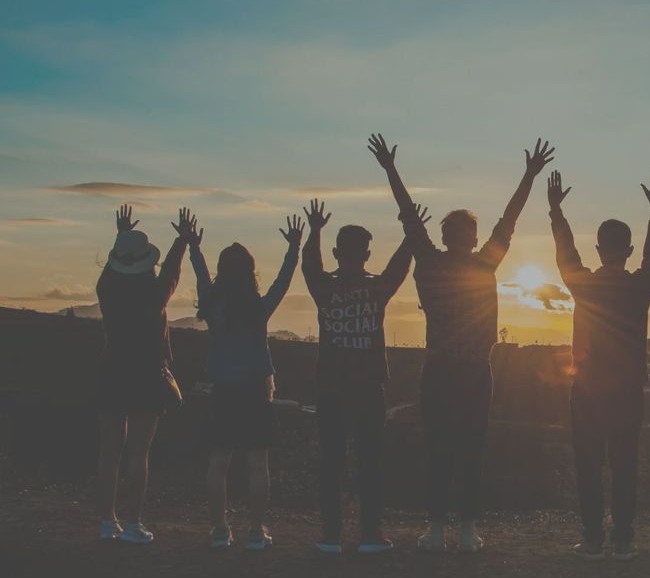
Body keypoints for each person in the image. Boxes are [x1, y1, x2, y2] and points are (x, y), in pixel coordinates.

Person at [368, 133, 554, 552]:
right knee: (471, 448)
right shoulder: (485, 263)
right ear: (470, 237)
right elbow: (509, 219)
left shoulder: (430, 263)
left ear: (446, 235)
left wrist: (390, 170)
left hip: (439, 369)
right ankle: (467, 529)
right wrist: (528, 175)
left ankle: (436, 529)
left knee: (437, 448)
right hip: (473, 372)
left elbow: (408, 217)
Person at [548, 169, 650, 561]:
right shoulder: (640, 286)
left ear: (598, 249)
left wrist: (556, 213)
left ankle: (594, 537)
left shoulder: (583, 284)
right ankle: (622, 539)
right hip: (628, 388)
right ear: (628, 250)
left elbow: (566, 254)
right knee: (624, 465)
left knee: (588, 464)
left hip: (586, 388)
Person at [300, 198, 425, 555]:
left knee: (331, 460)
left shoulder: (324, 289)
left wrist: (314, 231)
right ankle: (370, 534)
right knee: (370, 460)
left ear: (337, 252)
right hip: (369, 387)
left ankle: (330, 536)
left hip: (331, 387)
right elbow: (400, 267)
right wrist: (409, 235)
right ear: (367, 254)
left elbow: (309, 264)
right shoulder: (377, 289)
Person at [190, 215, 303, 550]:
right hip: (255, 390)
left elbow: (200, 276)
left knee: (219, 462)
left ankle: (220, 531)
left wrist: (194, 247)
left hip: (224, 390)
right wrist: (293, 249)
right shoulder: (258, 308)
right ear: (251, 272)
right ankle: (255, 531)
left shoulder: (212, 305)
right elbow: (283, 282)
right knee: (257, 464)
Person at [94, 205, 196, 543]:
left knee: (110, 451)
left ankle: (107, 521)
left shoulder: (106, 287)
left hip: (112, 369)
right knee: (139, 451)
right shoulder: (155, 294)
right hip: (147, 373)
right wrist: (182, 239)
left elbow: (117, 267)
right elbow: (171, 271)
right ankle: (134, 522)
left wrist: (120, 235)